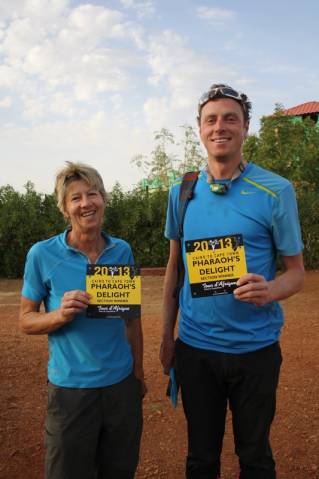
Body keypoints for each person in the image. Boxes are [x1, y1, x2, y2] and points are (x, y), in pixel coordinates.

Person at [160, 84, 304, 479]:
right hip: (195, 349)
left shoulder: (276, 190)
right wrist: (165, 336)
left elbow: (296, 272)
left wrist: (269, 290)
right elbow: (175, 268)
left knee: (255, 457)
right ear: (200, 129)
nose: (219, 126)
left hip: (255, 351)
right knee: (200, 459)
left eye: (230, 118)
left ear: (245, 127)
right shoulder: (182, 190)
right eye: (211, 119)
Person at [20, 162, 145, 479]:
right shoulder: (42, 254)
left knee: (119, 471)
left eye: (93, 194)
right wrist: (59, 315)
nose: (86, 203)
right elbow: (26, 320)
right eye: (75, 198)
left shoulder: (122, 251)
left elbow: (131, 320)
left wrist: (138, 372)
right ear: (64, 208)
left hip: (120, 387)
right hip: (70, 392)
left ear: (103, 199)